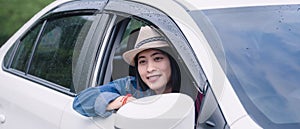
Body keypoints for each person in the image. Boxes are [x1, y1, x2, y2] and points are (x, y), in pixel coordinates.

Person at [73, 26, 181, 118]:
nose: (150, 68)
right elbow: (80, 102)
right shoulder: (129, 86)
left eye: (157, 59)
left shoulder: (195, 90)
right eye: (142, 61)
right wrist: (122, 101)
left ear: (172, 61)